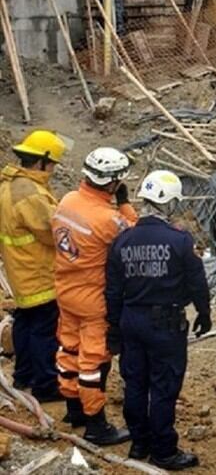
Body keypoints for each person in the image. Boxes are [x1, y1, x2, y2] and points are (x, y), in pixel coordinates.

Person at [105, 170, 212, 470]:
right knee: (163, 387)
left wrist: (114, 326)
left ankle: (140, 442)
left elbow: (112, 290)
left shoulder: (122, 241)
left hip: (130, 321)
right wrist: (204, 313)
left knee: (135, 383)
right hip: (165, 324)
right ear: (168, 202)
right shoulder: (179, 240)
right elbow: (197, 283)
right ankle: (164, 450)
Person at [52, 147, 136, 445]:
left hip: (65, 290)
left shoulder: (67, 201)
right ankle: (96, 425)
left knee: (69, 351)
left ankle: (73, 409)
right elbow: (136, 238)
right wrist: (124, 204)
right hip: (93, 299)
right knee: (93, 362)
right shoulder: (108, 219)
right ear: (113, 183)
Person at [0, 131, 68, 402]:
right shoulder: (29, 192)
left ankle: (23, 376)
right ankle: (46, 385)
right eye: (52, 164)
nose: (52, 170)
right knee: (44, 329)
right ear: (41, 161)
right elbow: (52, 230)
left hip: (20, 270)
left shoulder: (10, 184)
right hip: (38, 271)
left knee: (25, 323)